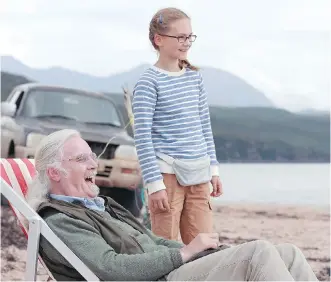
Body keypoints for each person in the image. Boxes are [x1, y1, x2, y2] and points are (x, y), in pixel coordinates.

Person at [26, 129, 318, 281]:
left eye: (92, 155)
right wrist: (185, 253)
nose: (94, 163)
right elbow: (111, 269)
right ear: (54, 173)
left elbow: (152, 241)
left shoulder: (101, 204)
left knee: (288, 254)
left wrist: (200, 254)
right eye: (81, 160)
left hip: (168, 272)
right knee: (258, 254)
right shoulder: (60, 220)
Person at [132, 7, 222, 244]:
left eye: (189, 36)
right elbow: (142, 138)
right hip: (167, 178)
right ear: (158, 40)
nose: (186, 42)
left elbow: (204, 126)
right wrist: (154, 185)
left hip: (200, 175)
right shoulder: (148, 83)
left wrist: (214, 170)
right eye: (180, 37)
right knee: (166, 249)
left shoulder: (194, 77)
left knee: (204, 248)